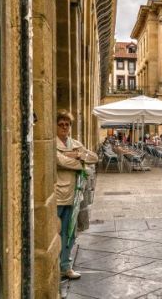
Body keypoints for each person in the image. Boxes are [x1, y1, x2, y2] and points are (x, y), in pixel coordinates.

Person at [55, 110, 98, 280]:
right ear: (55, 126)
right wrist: (81, 164)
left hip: (74, 196)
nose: (65, 127)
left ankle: (66, 266)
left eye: (67, 124)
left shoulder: (75, 143)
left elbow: (93, 157)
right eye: (61, 124)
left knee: (70, 233)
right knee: (54, 233)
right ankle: (53, 265)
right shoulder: (51, 143)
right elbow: (59, 161)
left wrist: (79, 154)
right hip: (58, 195)